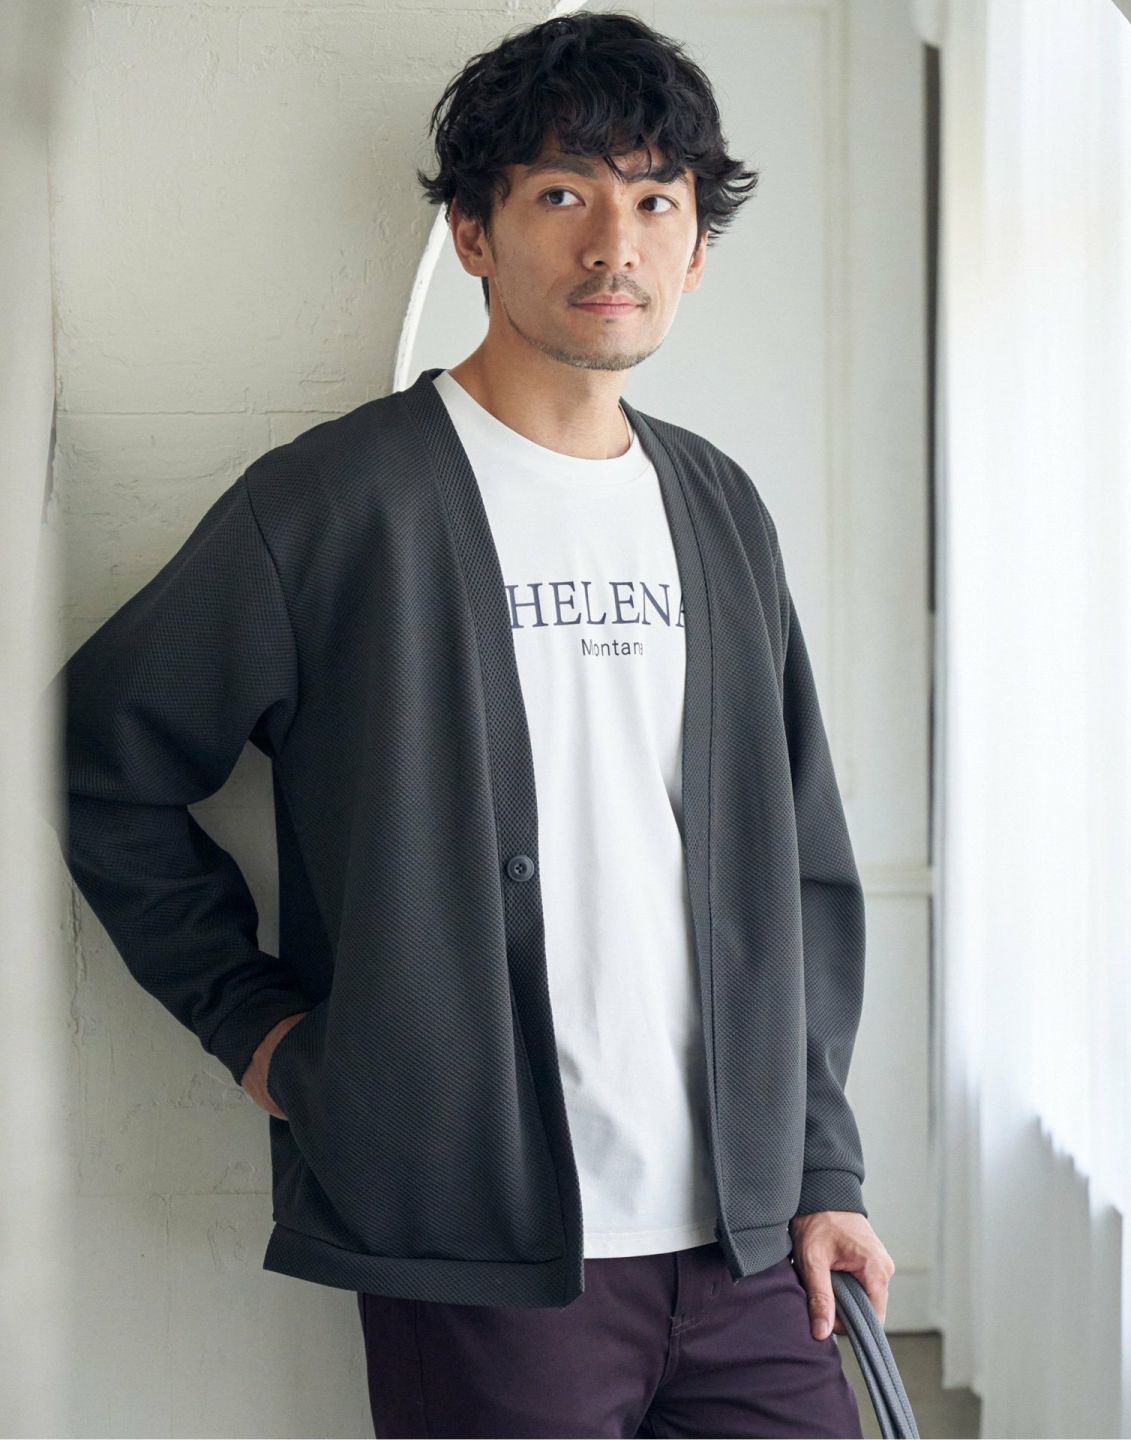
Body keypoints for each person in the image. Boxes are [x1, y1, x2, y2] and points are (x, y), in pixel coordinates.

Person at [45, 10, 896, 1437]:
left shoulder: (719, 507)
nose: (614, 244)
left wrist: (824, 1168)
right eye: (562, 194)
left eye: (656, 201)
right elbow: (95, 758)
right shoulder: (339, 503)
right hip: (481, 1253)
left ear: (696, 249)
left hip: (750, 1253)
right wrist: (255, 1025)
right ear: (472, 234)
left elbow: (798, 869)